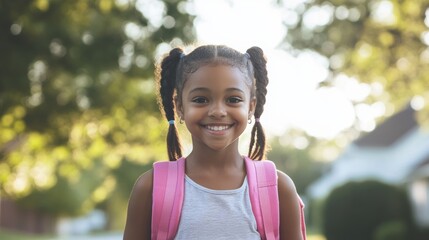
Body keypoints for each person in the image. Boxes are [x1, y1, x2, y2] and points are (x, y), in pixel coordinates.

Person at [123, 45, 304, 240]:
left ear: (251, 106)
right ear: (180, 107)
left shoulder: (278, 188)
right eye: (200, 99)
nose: (218, 111)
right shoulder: (150, 188)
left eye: (233, 99)